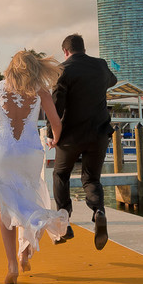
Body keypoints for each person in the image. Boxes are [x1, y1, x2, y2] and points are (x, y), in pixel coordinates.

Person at [0, 50, 70, 284]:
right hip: (30, 152)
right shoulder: (40, 90)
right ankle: (25, 253)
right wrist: (55, 140)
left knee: (7, 208)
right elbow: (56, 123)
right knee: (30, 201)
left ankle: (12, 264)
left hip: (3, 150)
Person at [47, 33, 118, 250]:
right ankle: (98, 211)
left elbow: (57, 105)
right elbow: (113, 81)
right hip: (99, 133)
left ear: (65, 51)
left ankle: (64, 220)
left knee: (61, 175)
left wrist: (51, 134)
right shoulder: (100, 65)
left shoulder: (62, 70)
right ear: (84, 49)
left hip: (70, 135)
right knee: (91, 178)